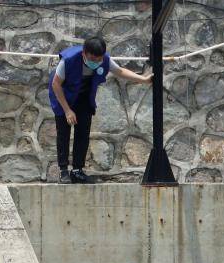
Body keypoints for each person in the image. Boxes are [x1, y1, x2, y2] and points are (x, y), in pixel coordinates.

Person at [49, 36, 152, 183]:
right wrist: (67, 110)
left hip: (84, 96)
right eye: (92, 59)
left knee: (83, 132)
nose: (96, 62)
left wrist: (143, 79)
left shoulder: (104, 59)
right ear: (84, 53)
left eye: (99, 59)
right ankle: (63, 171)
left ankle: (77, 170)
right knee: (63, 132)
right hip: (62, 95)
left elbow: (120, 71)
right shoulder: (69, 60)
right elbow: (56, 84)